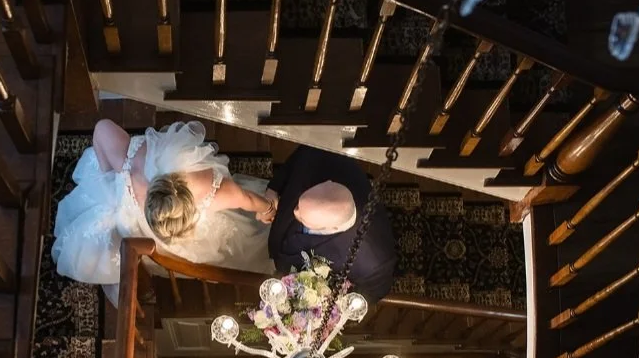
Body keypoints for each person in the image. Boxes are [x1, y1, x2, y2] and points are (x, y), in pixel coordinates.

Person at [52, 119, 277, 302]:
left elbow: (102, 127)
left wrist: (106, 172)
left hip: (132, 213)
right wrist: (266, 208)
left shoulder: (131, 162)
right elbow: (247, 199)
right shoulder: (218, 193)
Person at [265, 145, 397, 304]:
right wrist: (273, 189)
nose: (295, 213)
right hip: (276, 236)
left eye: (303, 216)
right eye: (298, 206)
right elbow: (300, 159)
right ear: (326, 183)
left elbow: (371, 294)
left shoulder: (373, 264)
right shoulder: (322, 155)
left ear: (332, 228)